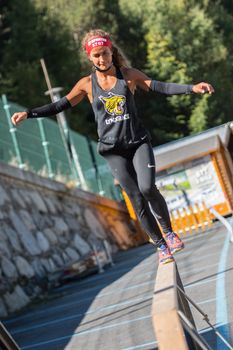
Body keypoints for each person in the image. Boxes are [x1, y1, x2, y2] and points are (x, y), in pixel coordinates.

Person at [11, 29, 214, 264]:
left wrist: (192, 87)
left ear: (111, 52)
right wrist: (28, 113)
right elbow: (60, 105)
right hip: (113, 151)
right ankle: (161, 246)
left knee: (148, 188)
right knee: (136, 198)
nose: (101, 59)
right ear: (89, 57)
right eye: (96, 55)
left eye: (105, 53)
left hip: (138, 143)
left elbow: (160, 87)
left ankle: (169, 232)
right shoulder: (87, 85)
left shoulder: (128, 75)